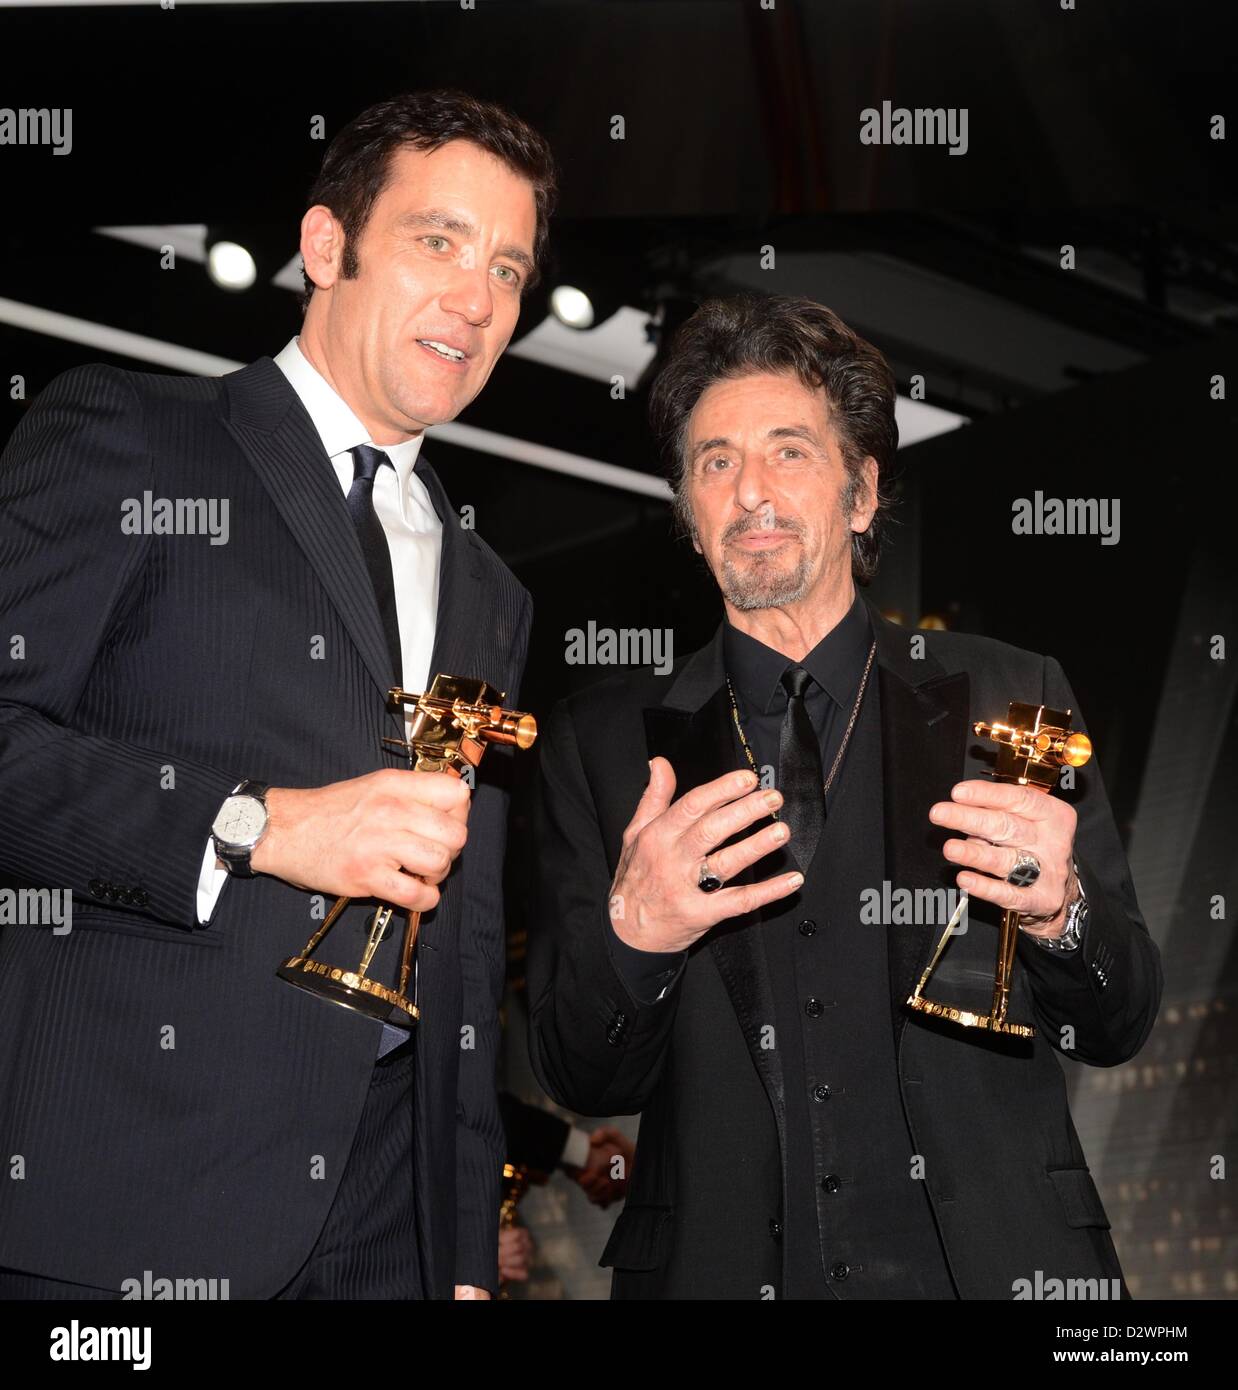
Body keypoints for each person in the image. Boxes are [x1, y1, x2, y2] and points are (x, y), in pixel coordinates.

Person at [0, 89, 556, 1300]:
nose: (478, 296)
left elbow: (459, 931)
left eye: (508, 268)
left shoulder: (491, 589)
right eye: (438, 241)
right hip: (123, 1202)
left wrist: (459, 1242)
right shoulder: (133, 435)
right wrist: (255, 825)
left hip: (380, 1226)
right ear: (324, 247)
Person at [526, 294, 1162, 1299]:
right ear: (688, 515)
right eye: (715, 461)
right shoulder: (598, 744)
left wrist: (1059, 910)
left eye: (788, 451)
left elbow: (1118, 1020)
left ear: (861, 492)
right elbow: (579, 1072)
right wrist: (635, 932)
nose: (750, 493)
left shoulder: (1008, 694)